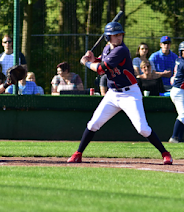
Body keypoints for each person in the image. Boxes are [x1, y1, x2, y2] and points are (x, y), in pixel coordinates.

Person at [67, 21, 173, 165]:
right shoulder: (107, 49)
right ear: (108, 37)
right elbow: (102, 61)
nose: (118, 38)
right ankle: (78, 153)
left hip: (130, 94)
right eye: (115, 35)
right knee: (93, 124)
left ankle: (165, 153)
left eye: (120, 34)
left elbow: (101, 69)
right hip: (113, 94)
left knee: (142, 129)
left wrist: (85, 62)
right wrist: (94, 59)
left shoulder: (121, 50)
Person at [168, 41, 184, 143]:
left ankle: (179, 138)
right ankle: (174, 137)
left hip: (179, 90)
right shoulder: (182, 63)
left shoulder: (179, 60)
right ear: (181, 52)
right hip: (178, 91)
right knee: (183, 115)